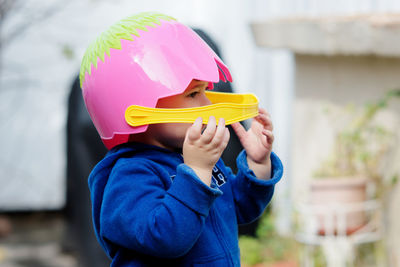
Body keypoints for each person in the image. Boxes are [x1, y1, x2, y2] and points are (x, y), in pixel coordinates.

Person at [80, 12, 283, 266]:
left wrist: (257, 163)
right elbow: (165, 238)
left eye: (205, 91)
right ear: (140, 108)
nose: (207, 103)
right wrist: (197, 172)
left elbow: (241, 208)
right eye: (193, 94)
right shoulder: (128, 177)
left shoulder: (197, 159)